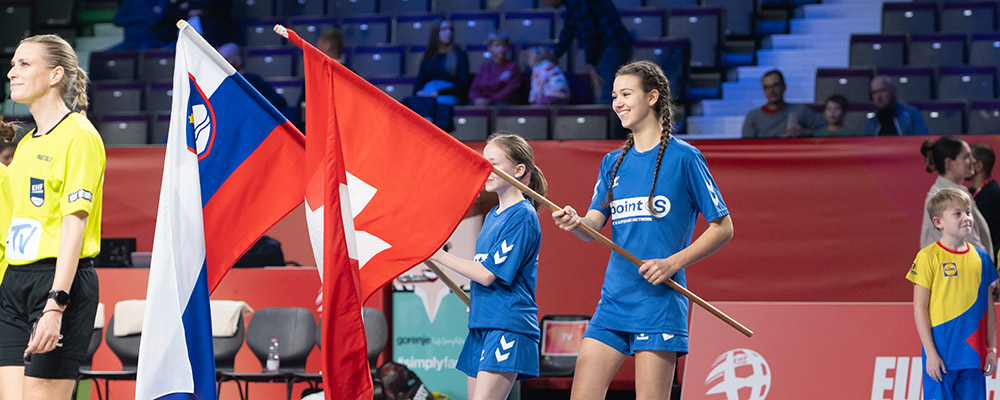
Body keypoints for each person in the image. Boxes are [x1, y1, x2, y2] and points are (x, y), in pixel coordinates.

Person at [551, 61, 733, 399]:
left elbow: (723, 227)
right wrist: (576, 224)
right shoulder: (613, 162)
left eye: (626, 93)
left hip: (659, 303)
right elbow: (593, 225)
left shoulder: (685, 158)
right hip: (614, 300)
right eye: (614, 96)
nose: (617, 102)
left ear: (651, 97)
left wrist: (672, 263)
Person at [0, 34, 104, 400]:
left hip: (58, 283)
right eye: (13, 64)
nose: (12, 72)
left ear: (56, 74)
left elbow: (74, 226)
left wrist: (56, 303)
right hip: (14, 284)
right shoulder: (25, 145)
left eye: (24, 64)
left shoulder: (80, 136)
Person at [429, 132, 545, 400]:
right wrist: (478, 300)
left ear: (518, 170)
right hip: (482, 321)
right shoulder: (494, 214)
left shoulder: (523, 216)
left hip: (507, 324)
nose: (486, 170)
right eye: (483, 163)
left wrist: (438, 254)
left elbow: (487, 274)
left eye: (493, 164)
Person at [908, 187, 998, 399]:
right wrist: (931, 353)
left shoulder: (982, 258)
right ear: (938, 222)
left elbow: (989, 308)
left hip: (974, 357)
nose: (966, 217)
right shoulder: (927, 257)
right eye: (957, 213)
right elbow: (920, 308)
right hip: (942, 357)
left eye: (968, 212)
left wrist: (991, 349)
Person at [543, 0, 632, 105]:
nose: (544, 2)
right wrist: (554, 56)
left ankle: (608, 121)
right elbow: (567, 32)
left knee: (609, 95)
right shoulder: (572, 6)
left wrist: (591, 62)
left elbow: (589, 33)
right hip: (611, 46)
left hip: (613, 46)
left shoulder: (577, 3)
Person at [920, 136, 993, 259]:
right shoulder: (949, 198)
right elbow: (970, 245)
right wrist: (989, 273)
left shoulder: (947, 193)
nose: (973, 160)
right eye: (966, 157)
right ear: (949, 163)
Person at [741, 69, 825, 138]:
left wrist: (807, 132)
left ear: (784, 87)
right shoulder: (753, 116)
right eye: (767, 87)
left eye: (775, 85)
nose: (771, 91)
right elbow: (746, 145)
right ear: (763, 90)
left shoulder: (800, 110)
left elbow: (827, 129)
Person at [414, 19, 470, 106]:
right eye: (444, 29)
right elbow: (420, 80)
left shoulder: (459, 55)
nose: (448, 33)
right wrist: (418, 93)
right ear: (436, 33)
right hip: (428, 92)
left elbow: (462, 84)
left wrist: (439, 93)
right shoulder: (429, 55)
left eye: (450, 29)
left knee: (438, 104)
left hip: (448, 94)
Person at [217, 43, 288, 109]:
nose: (221, 64)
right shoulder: (219, 84)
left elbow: (279, 101)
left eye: (225, 60)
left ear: (238, 61)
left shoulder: (255, 81)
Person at [468, 32, 521, 106]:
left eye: (504, 45)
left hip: (502, 103)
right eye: (497, 46)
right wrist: (477, 99)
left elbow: (509, 91)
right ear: (490, 48)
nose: (501, 49)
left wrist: (489, 100)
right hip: (483, 102)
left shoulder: (513, 67)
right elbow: (474, 89)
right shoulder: (485, 67)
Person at [864, 75, 928, 136]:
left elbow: (922, 141)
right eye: (874, 92)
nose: (878, 96)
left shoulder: (912, 114)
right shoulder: (871, 121)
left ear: (893, 91)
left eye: (882, 90)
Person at [970, 143, 999, 255]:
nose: (964, 162)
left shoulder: (992, 194)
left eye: (968, 157)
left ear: (978, 166)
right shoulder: (969, 192)